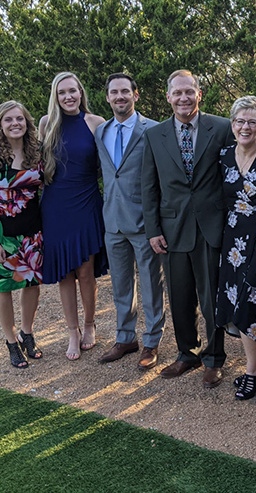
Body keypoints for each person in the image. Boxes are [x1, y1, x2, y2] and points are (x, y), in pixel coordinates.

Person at [141, 69, 233, 388]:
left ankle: (213, 358)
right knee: (179, 296)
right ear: (168, 97)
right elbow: (148, 186)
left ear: (198, 94)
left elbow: (238, 171)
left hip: (211, 226)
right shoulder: (154, 136)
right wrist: (153, 229)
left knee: (211, 299)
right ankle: (186, 353)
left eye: (188, 92)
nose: (183, 98)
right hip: (172, 228)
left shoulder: (221, 127)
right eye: (177, 93)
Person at [214, 96, 256, 400]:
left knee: (252, 302)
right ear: (232, 124)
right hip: (233, 241)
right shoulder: (223, 155)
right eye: (240, 121)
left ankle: (252, 372)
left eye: (252, 122)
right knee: (236, 303)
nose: (246, 127)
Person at [95, 73, 165, 370]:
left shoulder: (154, 130)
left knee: (151, 285)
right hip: (112, 221)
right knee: (121, 285)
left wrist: (158, 223)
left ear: (136, 95)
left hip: (144, 223)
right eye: (114, 92)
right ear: (108, 98)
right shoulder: (101, 132)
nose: (120, 97)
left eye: (125, 91)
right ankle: (125, 338)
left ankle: (151, 342)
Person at [40, 72, 108, 361]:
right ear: (55, 97)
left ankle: (90, 324)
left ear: (81, 92)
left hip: (86, 202)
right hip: (55, 205)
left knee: (85, 271)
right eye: (62, 92)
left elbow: (111, 165)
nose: (68, 97)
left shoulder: (96, 123)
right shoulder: (46, 124)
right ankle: (72, 330)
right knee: (65, 273)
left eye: (73, 91)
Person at [0, 100, 44, 369]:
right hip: (2, 235)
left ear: (27, 122)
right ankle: (11, 342)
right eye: (8, 120)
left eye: (20, 119)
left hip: (33, 232)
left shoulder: (37, 153)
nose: (15, 124)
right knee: (2, 287)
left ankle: (27, 333)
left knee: (31, 285)